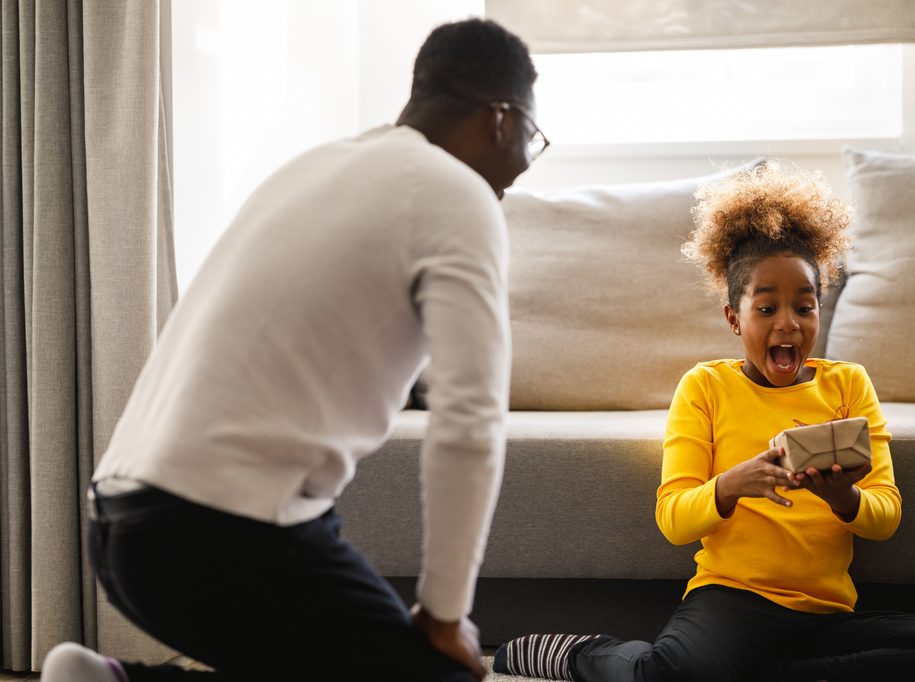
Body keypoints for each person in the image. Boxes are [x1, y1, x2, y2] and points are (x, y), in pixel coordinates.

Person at [41, 17, 547, 682]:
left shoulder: (316, 166)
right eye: (534, 141)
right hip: (217, 536)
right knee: (437, 675)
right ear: (501, 121)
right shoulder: (459, 195)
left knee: (312, 653)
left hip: (123, 528)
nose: (521, 168)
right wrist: (445, 618)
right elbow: (471, 423)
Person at [493, 163, 915, 682]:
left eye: (805, 306)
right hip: (733, 601)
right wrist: (736, 484)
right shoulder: (705, 387)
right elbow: (674, 519)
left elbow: (886, 515)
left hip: (824, 614)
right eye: (766, 308)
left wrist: (841, 497)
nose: (788, 322)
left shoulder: (848, 384)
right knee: (668, 675)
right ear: (734, 317)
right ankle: (582, 655)